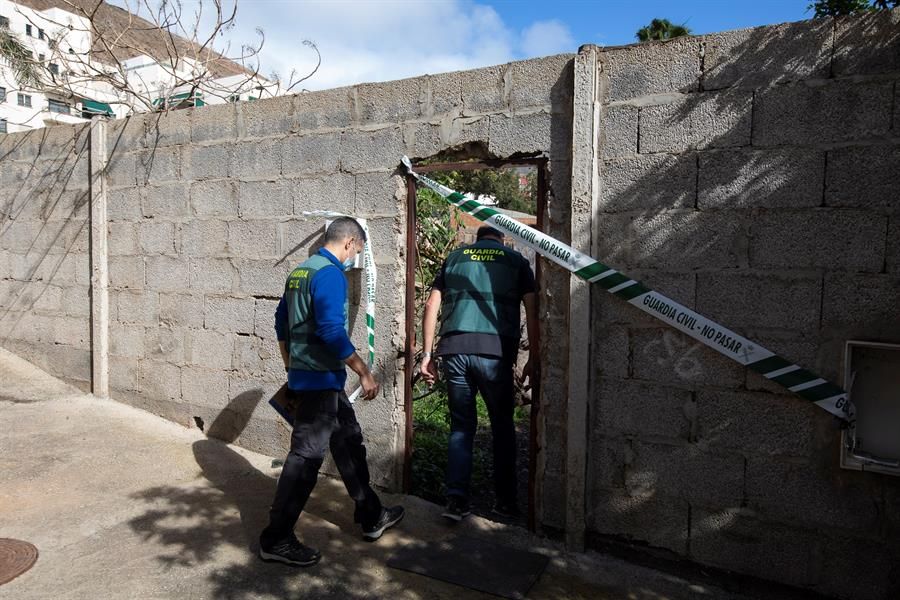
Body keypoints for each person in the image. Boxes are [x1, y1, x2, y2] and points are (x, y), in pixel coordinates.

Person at [259, 217, 404, 567]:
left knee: (348, 440)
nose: (357, 256)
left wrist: (290, 364)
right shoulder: (329, 273)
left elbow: (281, 321)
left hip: (315, 379)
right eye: (360, 250)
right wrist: (364, 372)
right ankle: (276, 538)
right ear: (351, 242)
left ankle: (371, 515)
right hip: (320, 379)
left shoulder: (301, 271)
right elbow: (329, 331)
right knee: (306, 458)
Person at [420, 225, 538, 522]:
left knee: (461, 428)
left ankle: (456, 501)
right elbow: (533, 310)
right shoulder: (516, 261)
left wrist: (427, 354)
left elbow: (432, 303)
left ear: (478, 237)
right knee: (502, 427)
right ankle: (505, 503)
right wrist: (535, 356)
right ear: (502, 238)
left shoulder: (455, 258)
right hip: (494, 355)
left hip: (454, 350)